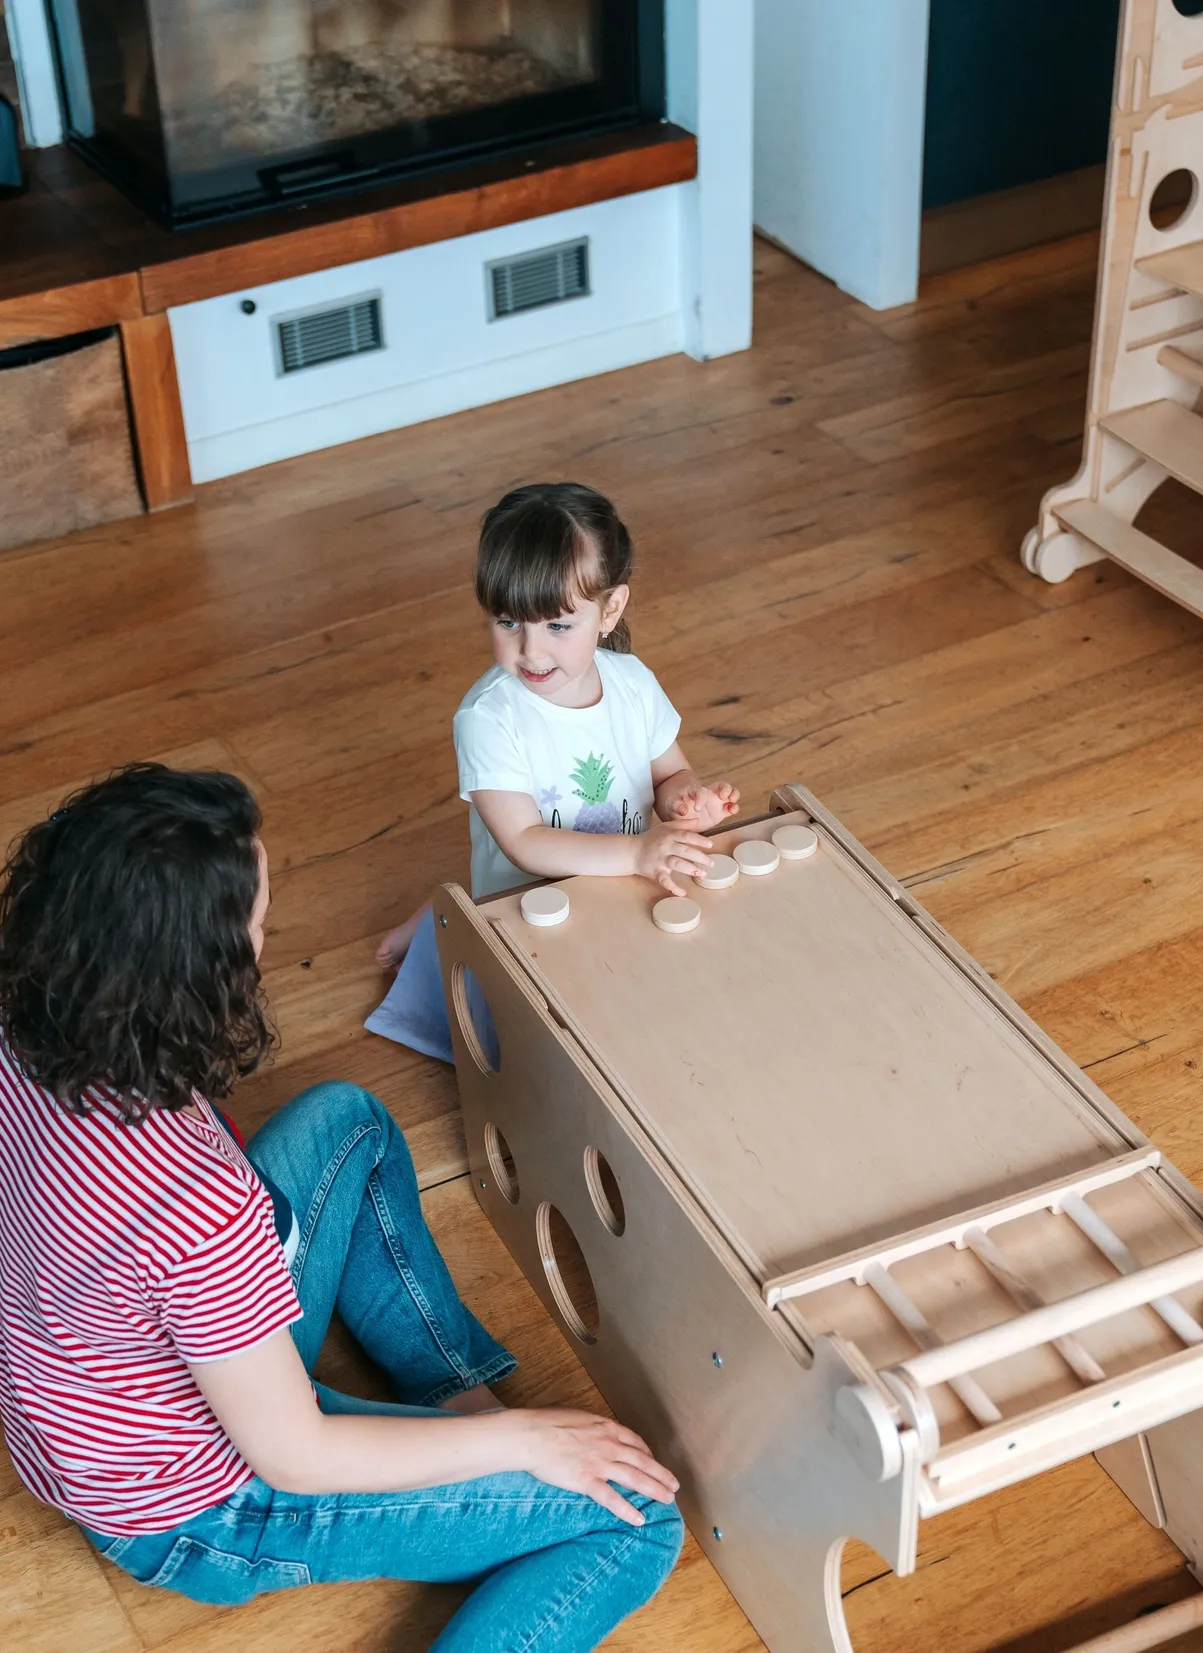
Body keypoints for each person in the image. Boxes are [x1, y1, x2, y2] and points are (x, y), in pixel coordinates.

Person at [0, 765, 683, 1651]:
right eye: (255, 926)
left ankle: (457, 1398)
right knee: (633, 1517)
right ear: (191, 976)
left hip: (83, 1400)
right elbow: (294, 1455)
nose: (263, 941)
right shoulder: (196, 1204)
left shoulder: (28, 1011)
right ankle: (483, 1442)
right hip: (198, 1509)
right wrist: (528, 1442)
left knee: (346, 1122)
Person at [367, 482, 740, 1057]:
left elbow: (669, 775)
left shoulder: (632, 683)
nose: (532, 651)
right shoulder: (487, 719)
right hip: (531, 903)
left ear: (610, 609)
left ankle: (437, 911)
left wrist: (688, 802)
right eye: (509, 622)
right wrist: (639, 853)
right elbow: (522, 841)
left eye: (558, 626)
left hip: (621, 886)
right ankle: (437, 923)